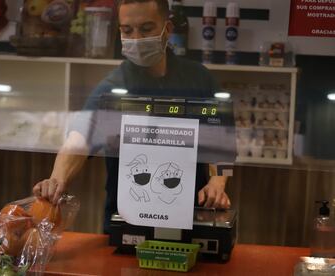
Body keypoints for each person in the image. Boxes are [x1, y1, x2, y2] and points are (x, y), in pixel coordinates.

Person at [33, 0, 231, 233]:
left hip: (192, 219)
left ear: (167, 29)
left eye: (146, 29)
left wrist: (218, 182)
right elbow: (78, 141)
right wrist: (56, 181)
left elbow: (224, 142)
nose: (136, 38)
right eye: (128, 30)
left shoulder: (199, 80)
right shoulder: (112, 89)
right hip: (127, 223)